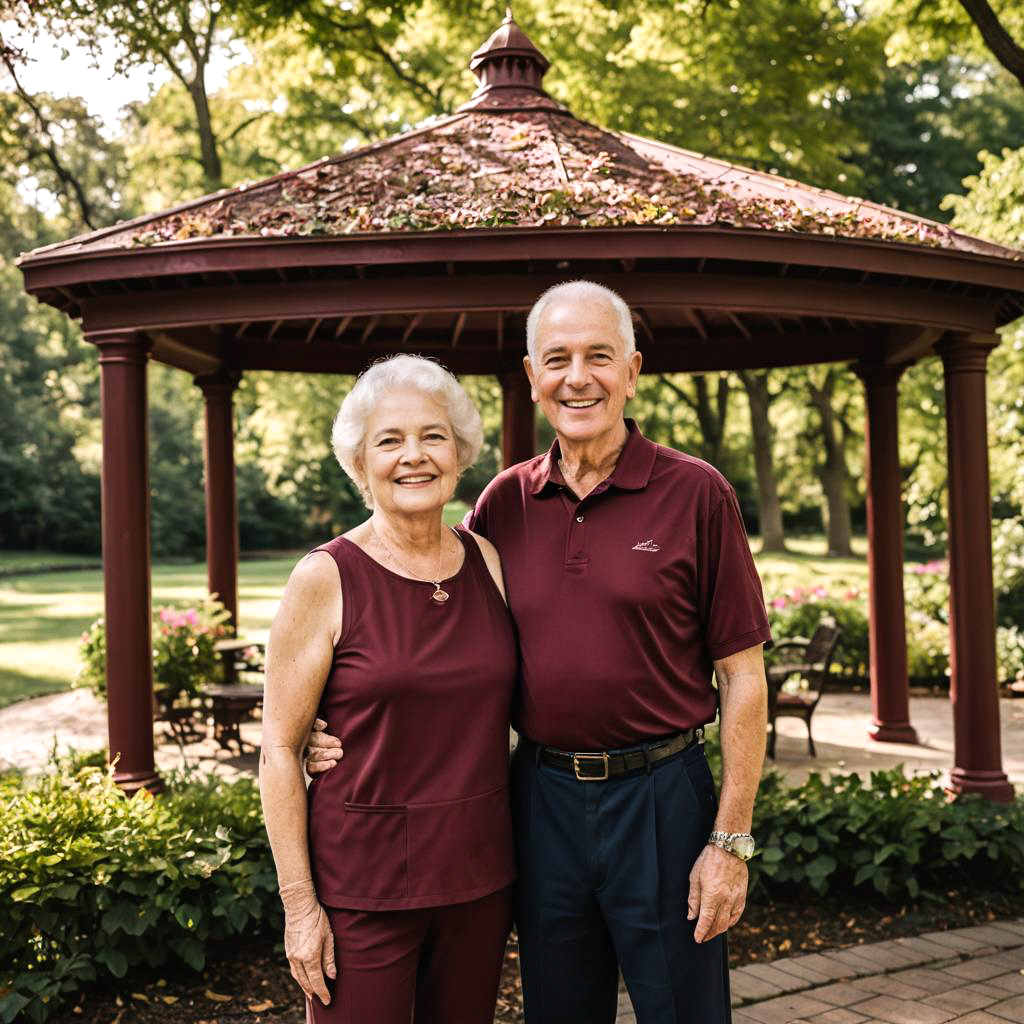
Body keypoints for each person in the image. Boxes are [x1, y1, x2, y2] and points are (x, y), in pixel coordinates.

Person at [307, 280, 772, 1024]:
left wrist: (730, 839)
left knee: (684, 1012)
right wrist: (323, 733)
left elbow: (744, 677)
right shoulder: (501, 505)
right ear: (532, 376)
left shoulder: (696, 493)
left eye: (598, 356)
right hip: (541, 802)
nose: (577, 376)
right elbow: (423, 639)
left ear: (632, 370)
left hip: (661, 797)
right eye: (557, 358)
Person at [259, 354, 517, 1024]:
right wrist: (299, 907)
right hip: (362, 890)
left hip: (479, 880)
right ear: (360, 462)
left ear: (459, 453)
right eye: (390, 440)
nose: (415, 456)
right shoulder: (325, 577)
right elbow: (280, 753)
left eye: (433, 436)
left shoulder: (487, 561)